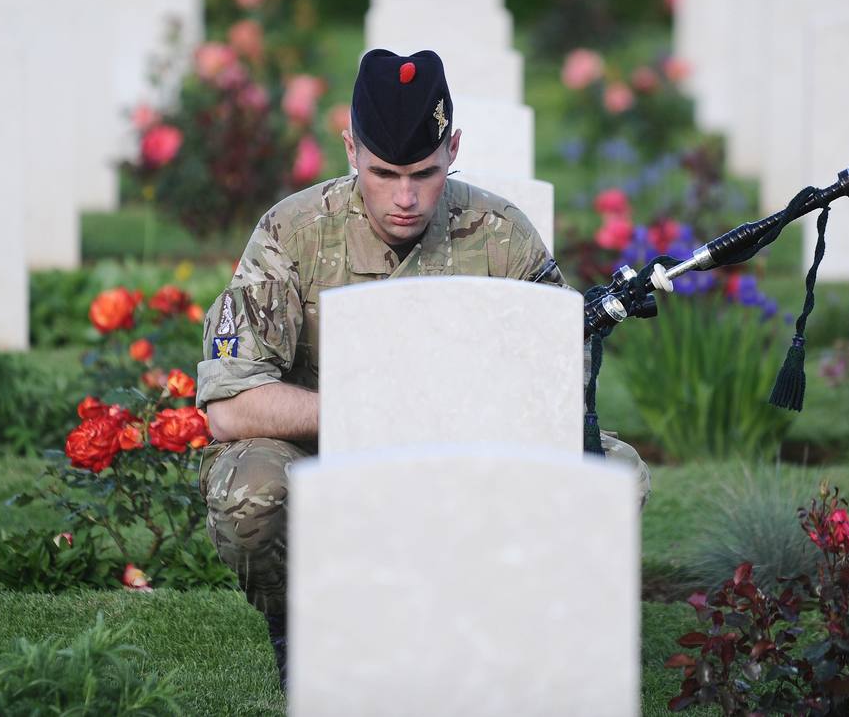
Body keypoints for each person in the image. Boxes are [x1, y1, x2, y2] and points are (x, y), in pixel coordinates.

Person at [195, 48, 651, 687]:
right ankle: (301, 624)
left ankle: (520, 630)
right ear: (350, 149)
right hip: (325, 448)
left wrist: (468, 413)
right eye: (384, 173)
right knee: (250, 490)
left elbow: (558, 382)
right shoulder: (292, 233)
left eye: (425, 173)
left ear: (454, 149)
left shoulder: (501, 234)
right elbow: (229, 405)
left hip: (474, 442)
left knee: (617, 474)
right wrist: (369, 413)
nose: (405, 197)